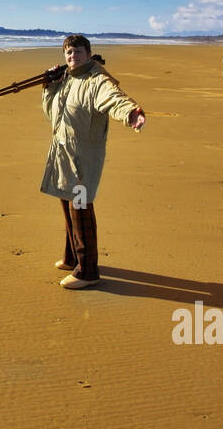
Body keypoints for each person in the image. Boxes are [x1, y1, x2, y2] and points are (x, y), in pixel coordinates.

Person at [40, 34, 145, 289]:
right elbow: (52, 112)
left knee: (80, 204)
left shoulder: (97, 80)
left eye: (77, 52)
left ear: (88, 54)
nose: (72, 57)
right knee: (67, 199)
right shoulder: (67, 78)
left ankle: (87, 271)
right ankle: (73, 256)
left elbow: (114, 98)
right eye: (68, 53)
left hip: (84, 155)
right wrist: (49, 86)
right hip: (63, 149)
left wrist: (131, 113)